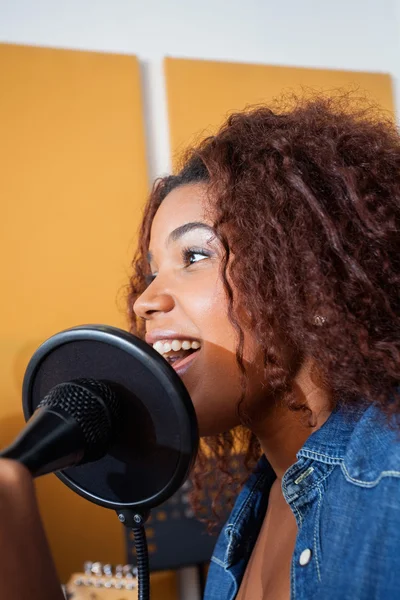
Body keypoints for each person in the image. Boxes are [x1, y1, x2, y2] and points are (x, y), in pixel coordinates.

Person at [1, 95, 400, 599]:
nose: (145, 300)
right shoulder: (256, 507)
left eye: (194, 255)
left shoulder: (390, 476)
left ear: (312, 283)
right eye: (151, 271)